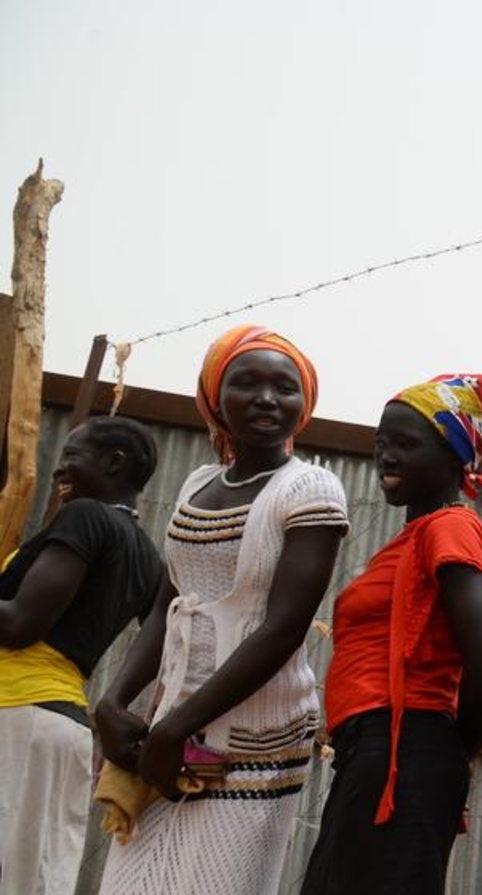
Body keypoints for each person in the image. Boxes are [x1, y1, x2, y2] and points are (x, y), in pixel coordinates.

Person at [95, 325, 349, 894]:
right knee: (133, 881)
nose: (266, 398)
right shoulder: (197, 485)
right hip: (174, 725)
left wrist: (176, 727)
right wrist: (113, 702)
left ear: (303, 402)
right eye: (246, 383)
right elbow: (168, 605)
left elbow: (282, 629)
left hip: (254, 735)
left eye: (285, 387)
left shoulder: (310, 490)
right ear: (216, 397)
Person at [301, 373, 482, 893]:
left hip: (402, 749)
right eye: (381, 444)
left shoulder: (449, 527)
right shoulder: (412, 539)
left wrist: (441, 752)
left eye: (406, 444)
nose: (386, 456)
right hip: (373, 753)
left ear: (454, 456)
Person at [0, 417, 164, 895]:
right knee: (32, 878)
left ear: (114, 463)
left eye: (71, 458)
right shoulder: (148, 557)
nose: (58, 471)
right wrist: (116, 701)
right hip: (61, 728)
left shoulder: (86, 517)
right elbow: (161, 640)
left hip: (16, 711)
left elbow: (20, 623)